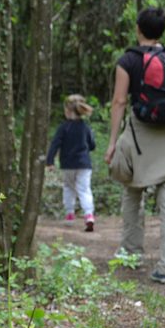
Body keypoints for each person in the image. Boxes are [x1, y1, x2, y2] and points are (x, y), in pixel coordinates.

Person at [105, 7, 165, 285]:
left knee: (132, 189)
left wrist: (112, 143)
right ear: (162, 30)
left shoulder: (128, 60)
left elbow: (119, 102)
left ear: (138, 29)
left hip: (142, 135)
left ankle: (131, 252)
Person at [46, 94, 97, 231]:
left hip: (67, 164)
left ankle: (69, 214)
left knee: (69, 187)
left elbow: (55, 144)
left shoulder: (63, 128)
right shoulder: (85, 127)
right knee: (84, 189)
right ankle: (89, 215)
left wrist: (50, 161)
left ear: (68, 111)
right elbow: (92, 145)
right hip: (84, 164)